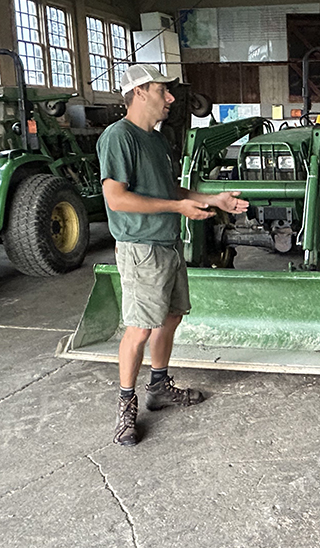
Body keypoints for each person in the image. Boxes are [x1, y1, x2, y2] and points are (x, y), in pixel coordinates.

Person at [97, 63, 250, 447]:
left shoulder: (156, 139)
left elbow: (171, 191)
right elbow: (116, 197)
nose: (170, 99)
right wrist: (177, 210)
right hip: (141, 248)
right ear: (139, 93)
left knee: (172, 315)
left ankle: (160, 386)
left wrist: (214, 199)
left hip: (166, 244)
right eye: (162, 91)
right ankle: (126, 405)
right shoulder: (119, 137)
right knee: (140, 328)